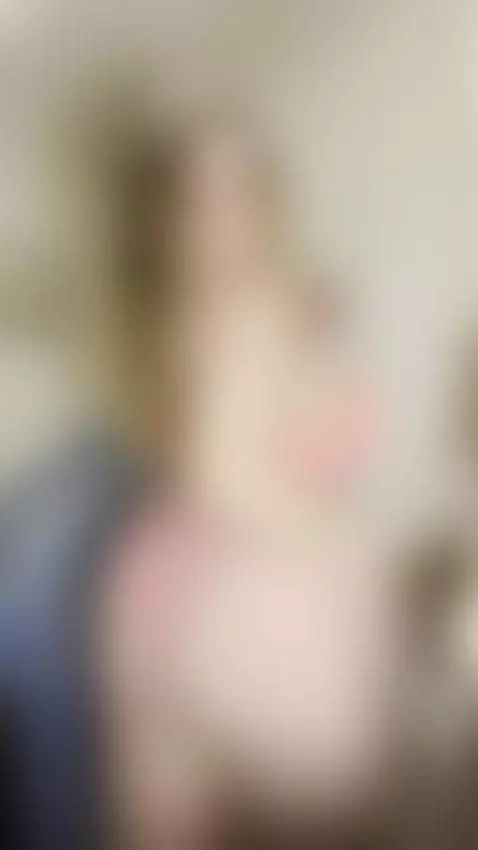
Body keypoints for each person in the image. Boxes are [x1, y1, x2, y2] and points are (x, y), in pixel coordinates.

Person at [1, 118, 395, 850]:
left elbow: (348, 439)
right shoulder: (77, 540)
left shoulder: (292, 327)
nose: (233, 229)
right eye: (205, 204)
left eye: (250, 198)